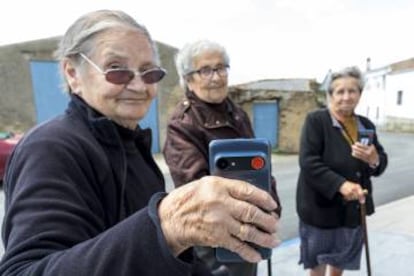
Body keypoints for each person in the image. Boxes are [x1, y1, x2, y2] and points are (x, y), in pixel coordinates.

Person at [0, 10, 281, 276]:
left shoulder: (132, 145)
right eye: (116, 69)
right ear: (73, 73)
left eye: (149, 73)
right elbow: (26, 270)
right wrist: (168, 226)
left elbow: (171, 256)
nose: (138, 85)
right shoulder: (51, 148)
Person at [163, 39, 282, 276]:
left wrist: (272, 206)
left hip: (251, 228)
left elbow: (261, 165)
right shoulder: (183, 123)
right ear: (188, 78)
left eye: (221, 68)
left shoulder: (236, 113)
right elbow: (196, 185)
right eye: (206, 70)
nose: (216, 77)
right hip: (215, 240)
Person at [296, 66, 388, 276]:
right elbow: (308, 162)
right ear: (330, 95)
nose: (346, 97)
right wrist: (340, 185)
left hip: (352, 211)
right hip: (320, 208)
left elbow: (380, 162)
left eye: (352, 91)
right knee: (317, 265)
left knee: (341, 261)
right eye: (340, 91)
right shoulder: (316, 121)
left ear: (360, 94)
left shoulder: (366, 125)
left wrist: (374, 159)